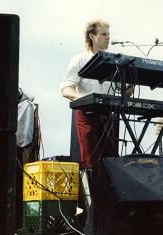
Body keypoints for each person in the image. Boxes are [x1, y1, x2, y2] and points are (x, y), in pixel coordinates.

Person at [60, 19, 133, 170]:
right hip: (88, 114)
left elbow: (124, 91)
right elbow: (66, 89)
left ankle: (107, 193)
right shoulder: (79, 60)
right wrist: (89, 99)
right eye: (104, 34)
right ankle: (94, 193)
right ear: (92, 36)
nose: (108, 37)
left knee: (110, 162)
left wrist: (131, 83)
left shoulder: (115, 62)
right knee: (91, 162)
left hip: (109, 115)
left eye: (109, 34)